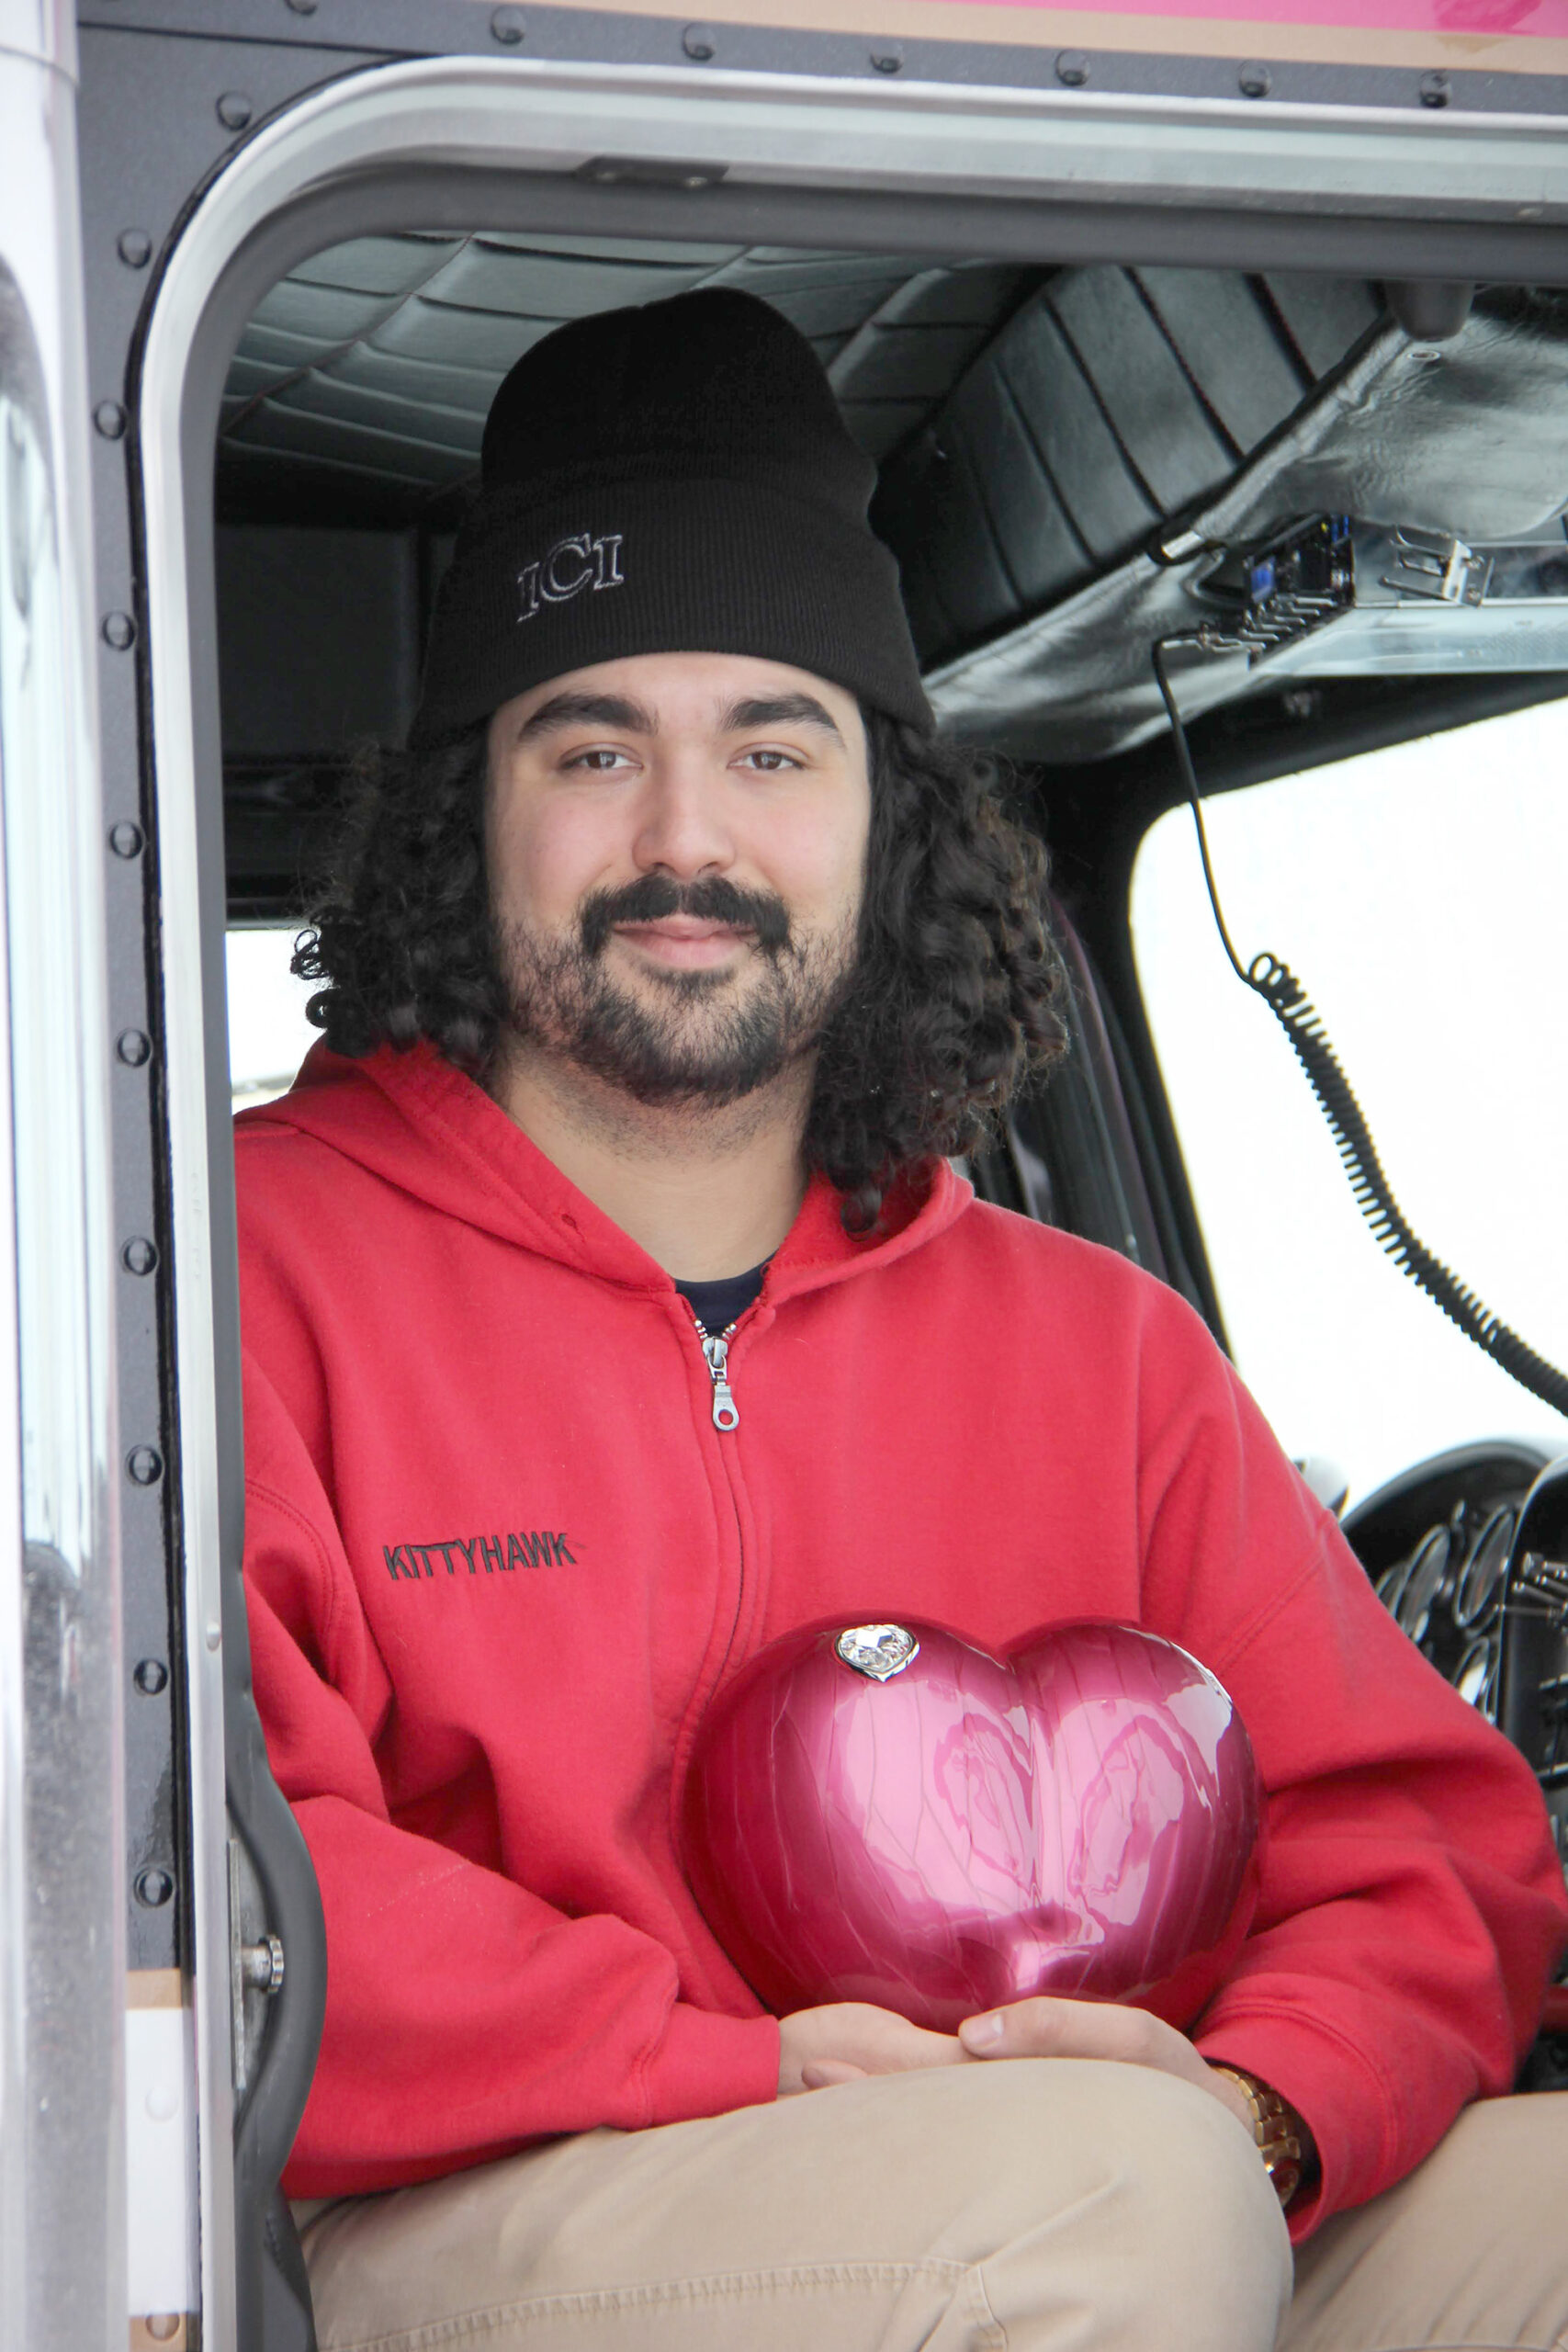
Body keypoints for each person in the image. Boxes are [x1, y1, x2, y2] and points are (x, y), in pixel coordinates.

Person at [239, 288, 1568, 2352]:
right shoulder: (248, 1269)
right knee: (1101, 2211)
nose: (686, 838)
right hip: (492, 2195)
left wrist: (1261, 2101)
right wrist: (731, 2061)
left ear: (884, 817)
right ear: (462, 818)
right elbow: (239, 1885)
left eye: (772, 746)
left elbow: (1415, 1845)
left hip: (1098, 2178)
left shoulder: (1097, 1345)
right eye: (592, 747)